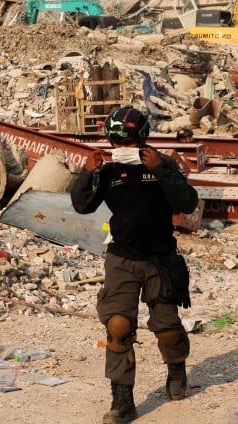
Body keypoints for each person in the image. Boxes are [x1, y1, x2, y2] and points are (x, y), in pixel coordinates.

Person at [71, 106, 199, 424]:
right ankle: (123, 401)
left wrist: (161, 169)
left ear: (143, 138)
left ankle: (176, 368)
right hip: (122, 259)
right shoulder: (109, 172)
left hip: (160, 260)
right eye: (118, 143)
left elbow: (187, 202)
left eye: (129, 142)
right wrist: (87, 172)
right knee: (118, 326)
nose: (124, 149)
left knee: (167, 328)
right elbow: (82, 205)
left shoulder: (163, 163)